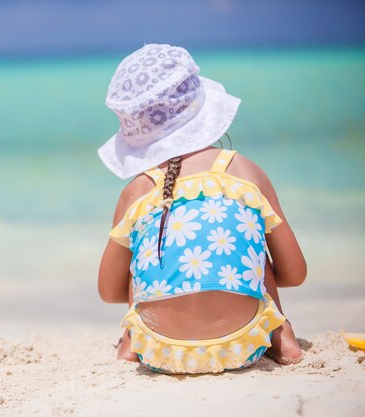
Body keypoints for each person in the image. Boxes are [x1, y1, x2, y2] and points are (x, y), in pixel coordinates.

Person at [97, 44, 306, 374]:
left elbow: (108, 291)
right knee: (248, 239)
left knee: (144, 248)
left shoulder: (137, 191)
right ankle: (280, 333)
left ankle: (131, 340)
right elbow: (296, 274)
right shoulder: (244, 170)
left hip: (160, 352)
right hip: (245, 343)